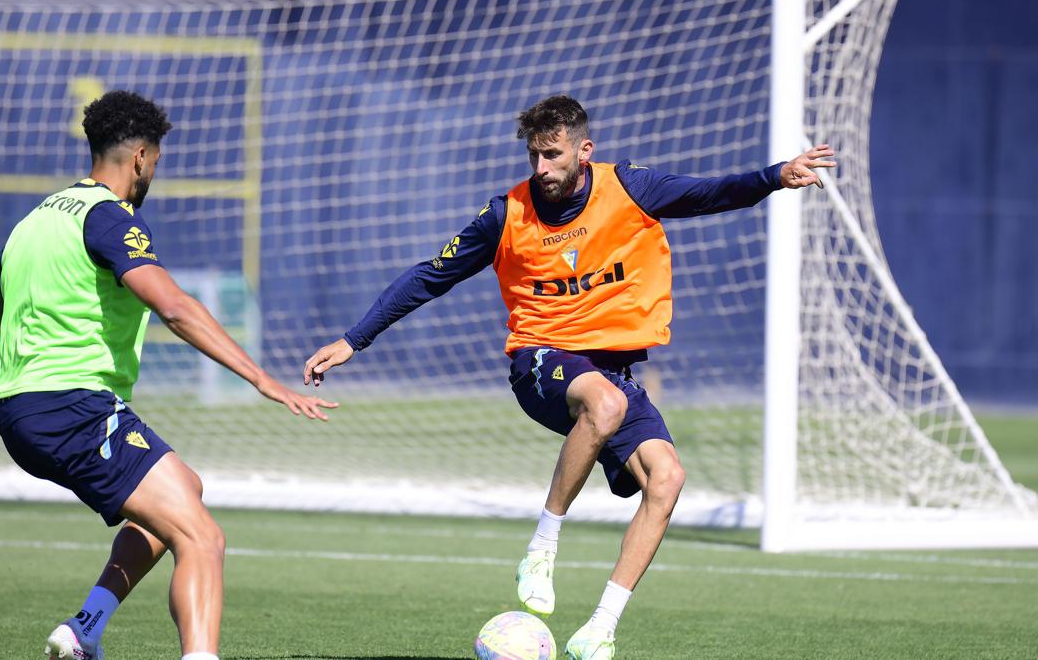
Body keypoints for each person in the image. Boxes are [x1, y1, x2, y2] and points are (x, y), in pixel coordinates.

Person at [303, 95, 834, 660]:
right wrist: (353, 339)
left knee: (667, 478)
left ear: (585, 150)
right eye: (534, 155)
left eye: (552, 155)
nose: (541, 169)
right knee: (603, 404)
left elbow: (708, 193)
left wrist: (774, 176)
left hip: (609, 369)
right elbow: (430, 276)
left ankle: (600, 628)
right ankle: (542, 546)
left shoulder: (628, 189)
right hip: (540, 360)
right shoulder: (505, 214)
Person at [0, 90, 337, 660]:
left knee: (184, 488)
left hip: (20, 413)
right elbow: (176, 307)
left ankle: (86, 626)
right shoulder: (109, 218)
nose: (154, 172)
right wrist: (262, 380)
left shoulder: (32, 222)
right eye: (156, 161)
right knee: (204, 539)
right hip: (74, 407)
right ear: (140, 156)